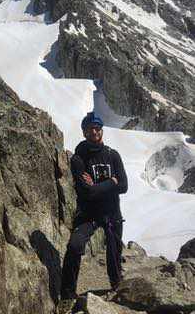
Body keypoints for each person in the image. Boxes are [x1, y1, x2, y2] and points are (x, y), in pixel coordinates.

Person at [58, 112, 128, 314]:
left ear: (101, 130)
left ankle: (116, 284)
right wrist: (111, 182)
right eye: (90, 128)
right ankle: (67, 294)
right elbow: (86, 191)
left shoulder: (112, 155)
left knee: (114, 250)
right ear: (84, 132)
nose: (94, 131)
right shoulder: (79, 158)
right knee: (75, 246)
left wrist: (103, 185)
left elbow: (124, 185)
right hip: (88, 214)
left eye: (97, 128)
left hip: (112, 212)